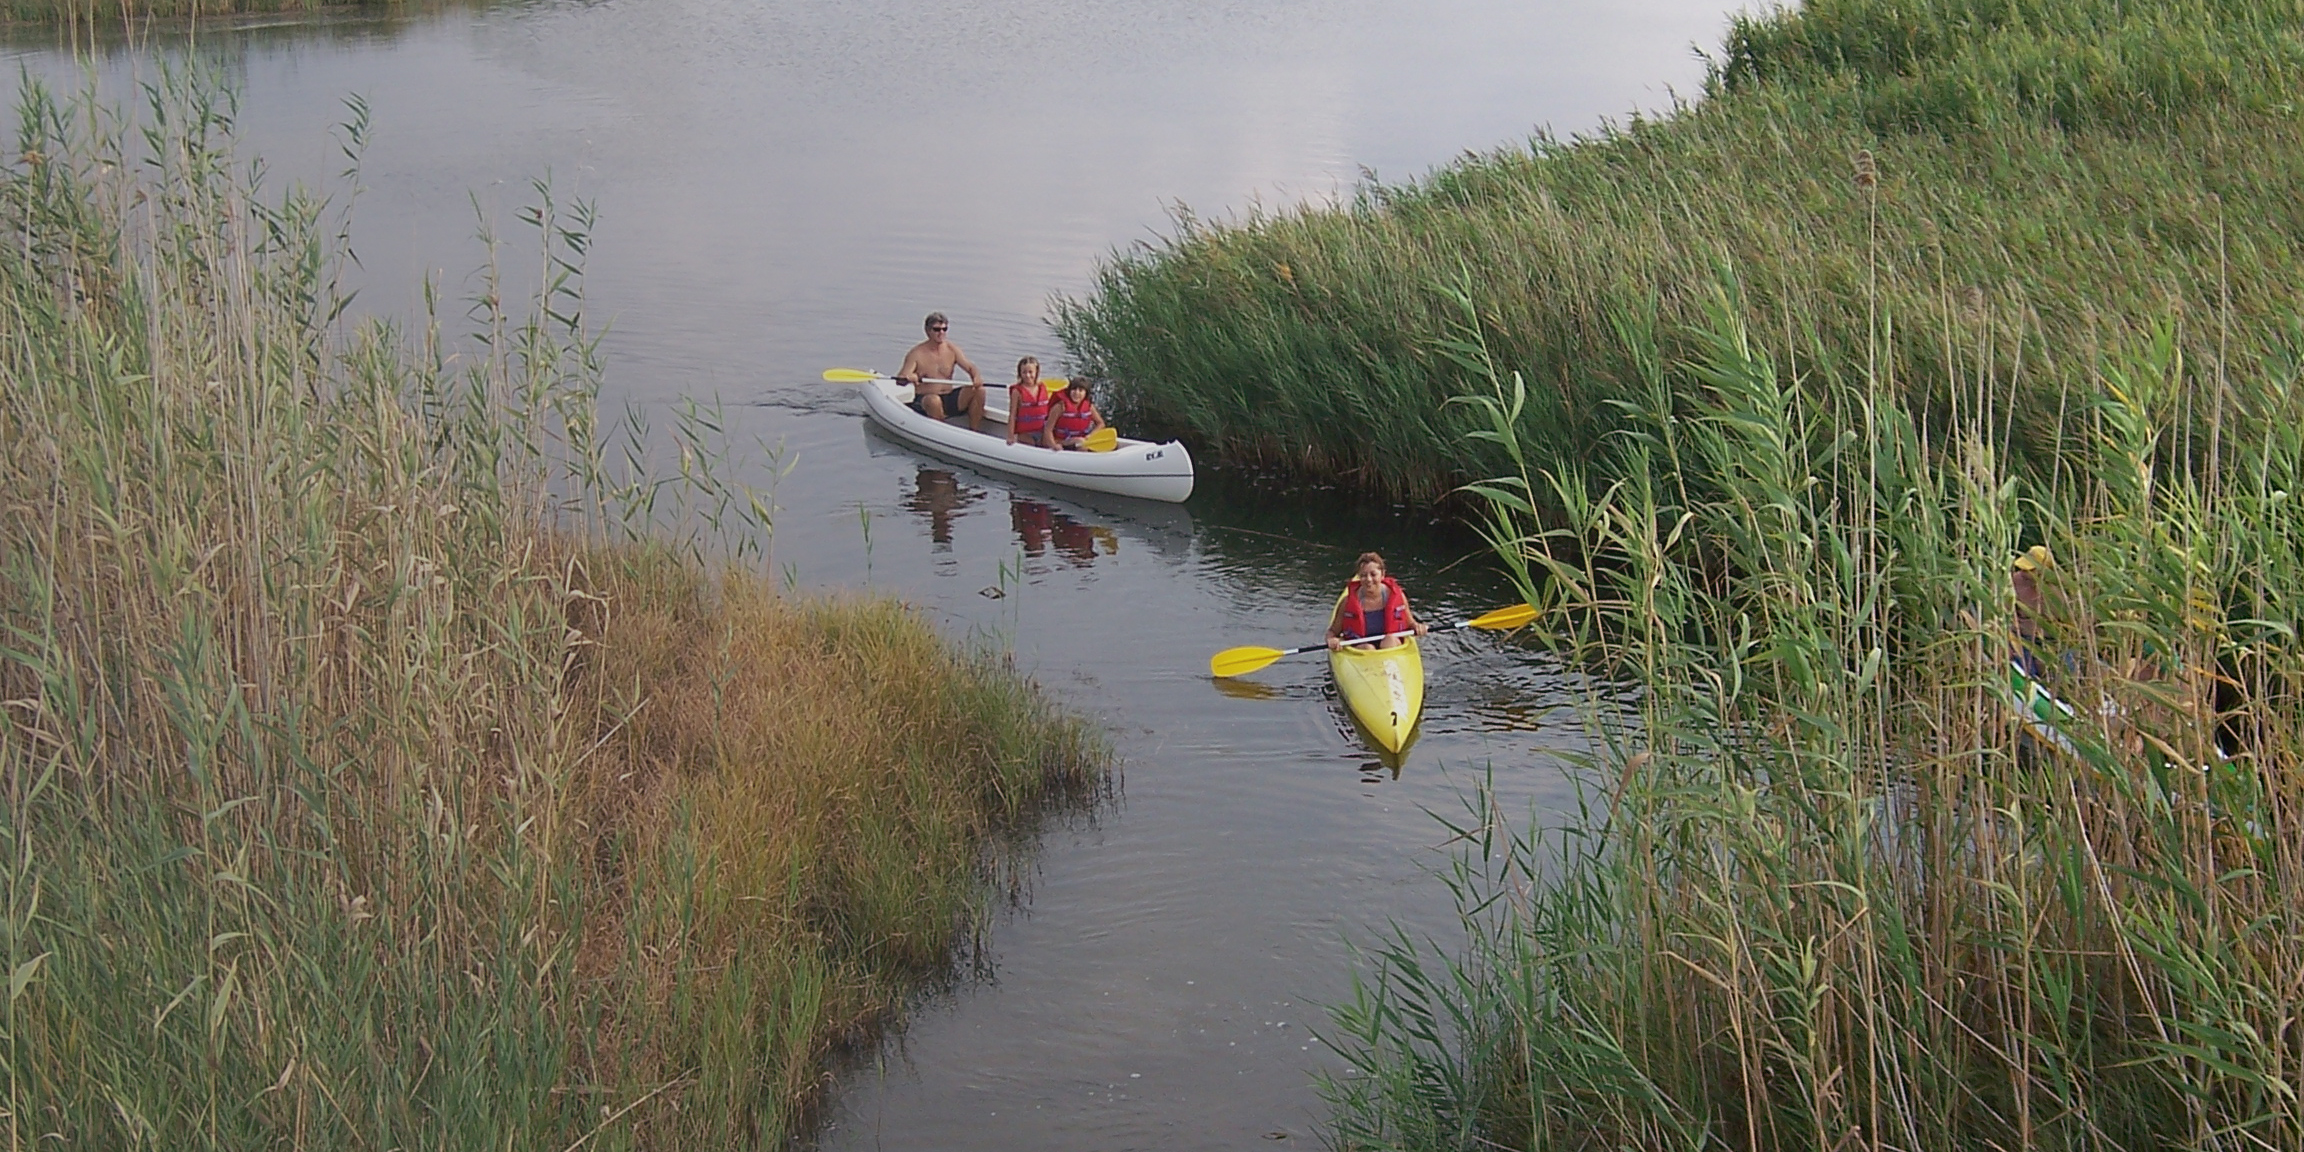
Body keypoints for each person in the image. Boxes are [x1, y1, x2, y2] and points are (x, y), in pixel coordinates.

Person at [895, 312, 989, 431]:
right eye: (937, 330)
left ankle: (974, 431)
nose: (941, 333)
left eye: (944, 329)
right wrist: (910, 377)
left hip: (948, 398)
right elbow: (900, 378)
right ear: (928, 331)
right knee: (934, 400)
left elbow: (970, 367)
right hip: (926, 400)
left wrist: (976, 377)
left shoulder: (951, 349)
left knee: (979, 390)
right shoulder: (916, 353)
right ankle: (942, 432)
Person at [1327, 552, 1429, 651]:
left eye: (1373, 574)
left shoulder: (1398, 597)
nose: (1368, 579)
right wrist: (1331, 640)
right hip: (1362, 650)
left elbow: (1411, 623)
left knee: (1390, 640)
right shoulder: (1346, 603)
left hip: (1390, 648)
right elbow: (1332, 631)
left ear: (1382, 574)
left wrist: (1418, 627)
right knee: (1368, 648)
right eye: (1363, 575)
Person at [1006, 356, 1056, 448]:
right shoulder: (1017, 392)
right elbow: (1012, 415)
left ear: (1036, 372)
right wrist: (1010, 436)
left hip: (1042, 430)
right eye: (1024, 372)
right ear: (1020, 373)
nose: (1028, 375)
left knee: (1046, 443)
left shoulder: (1042, 387)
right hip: (1026, 433)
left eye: (1030, 372)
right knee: (1030, 444)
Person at [1049, 377, 1106, 450]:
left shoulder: (1089, 407)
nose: (1076, 393)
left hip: (1081, 440)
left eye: (1081, 390)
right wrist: (1053, 445)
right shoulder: (1060, 407)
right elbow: (1048, 430)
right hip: (1061, 441)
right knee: (1081, 443)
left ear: (1086, 393)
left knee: (1081, 442)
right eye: (1074, 389)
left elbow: (1101, 423)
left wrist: (1091, 435)